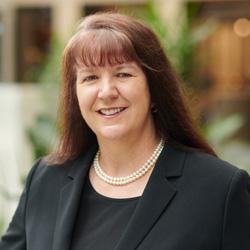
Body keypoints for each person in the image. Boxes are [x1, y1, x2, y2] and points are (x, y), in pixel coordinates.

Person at [0, 12, 249, 250]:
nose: (107, 91)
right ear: (75, 95)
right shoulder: (46, 179)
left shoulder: (219, 190)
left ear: (154, 91)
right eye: (90, 78)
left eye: (123, 74)